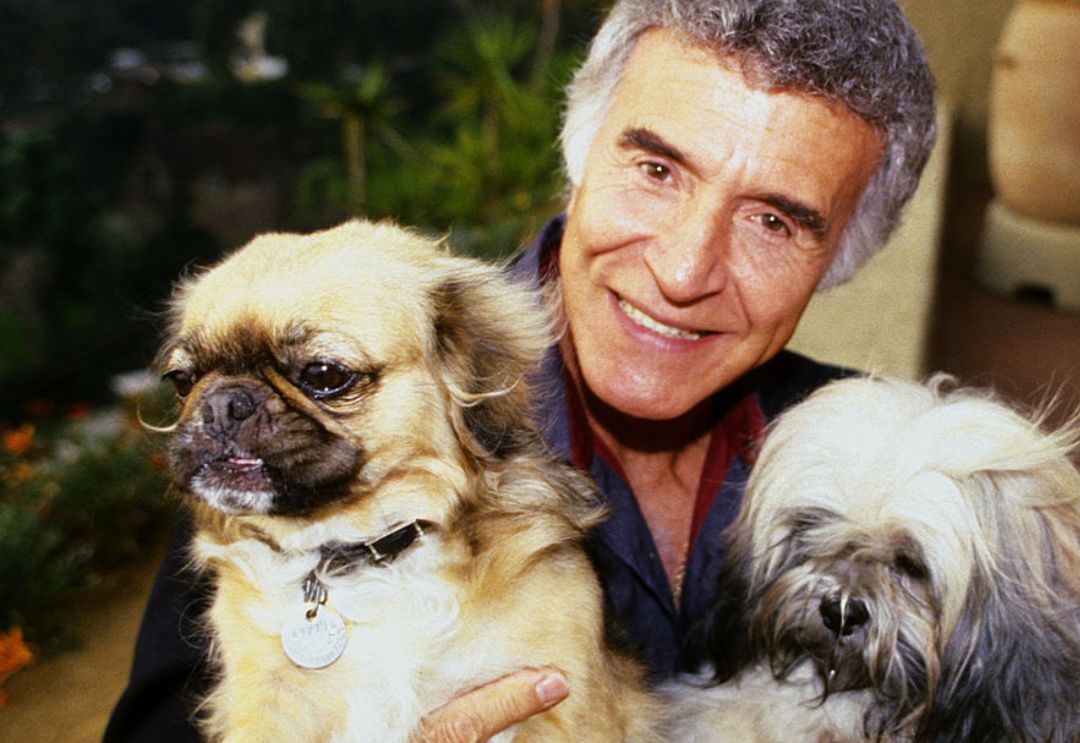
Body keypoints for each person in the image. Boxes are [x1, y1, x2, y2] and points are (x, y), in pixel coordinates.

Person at [103, 1, 935, 740]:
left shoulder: (889, 476)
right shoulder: (306, 476)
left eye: (773, 221)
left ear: (839, 259)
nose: (685, 270)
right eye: (656, 170)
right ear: (576, 158)